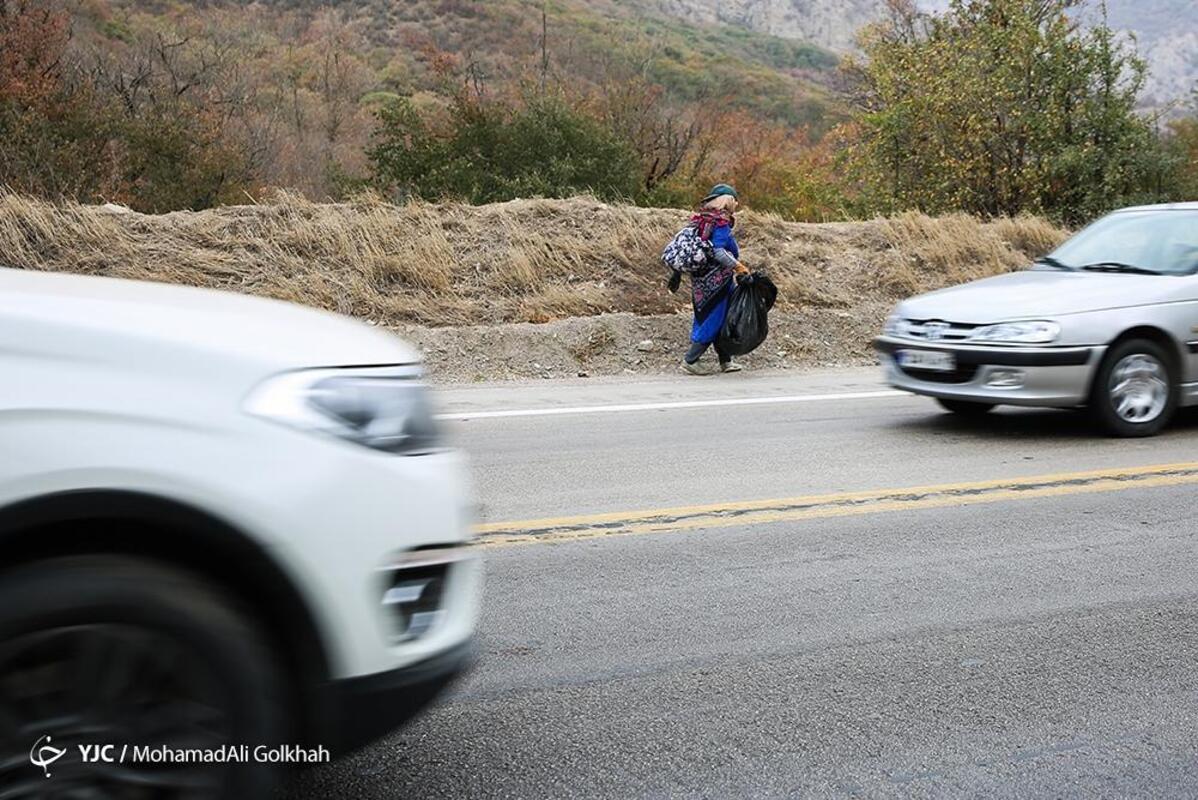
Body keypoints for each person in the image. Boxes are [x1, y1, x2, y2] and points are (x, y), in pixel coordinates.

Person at [670, 184, 749, 375]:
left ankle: (725, 361)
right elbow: (717, 251)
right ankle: (690, 359)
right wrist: (738, 267)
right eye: (735, 200)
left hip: (701, 280)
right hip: (717, 282)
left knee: (716, 317)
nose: (737, 204)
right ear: (728, 201)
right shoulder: (720, 222)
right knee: (714, 319)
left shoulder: (701, 219)